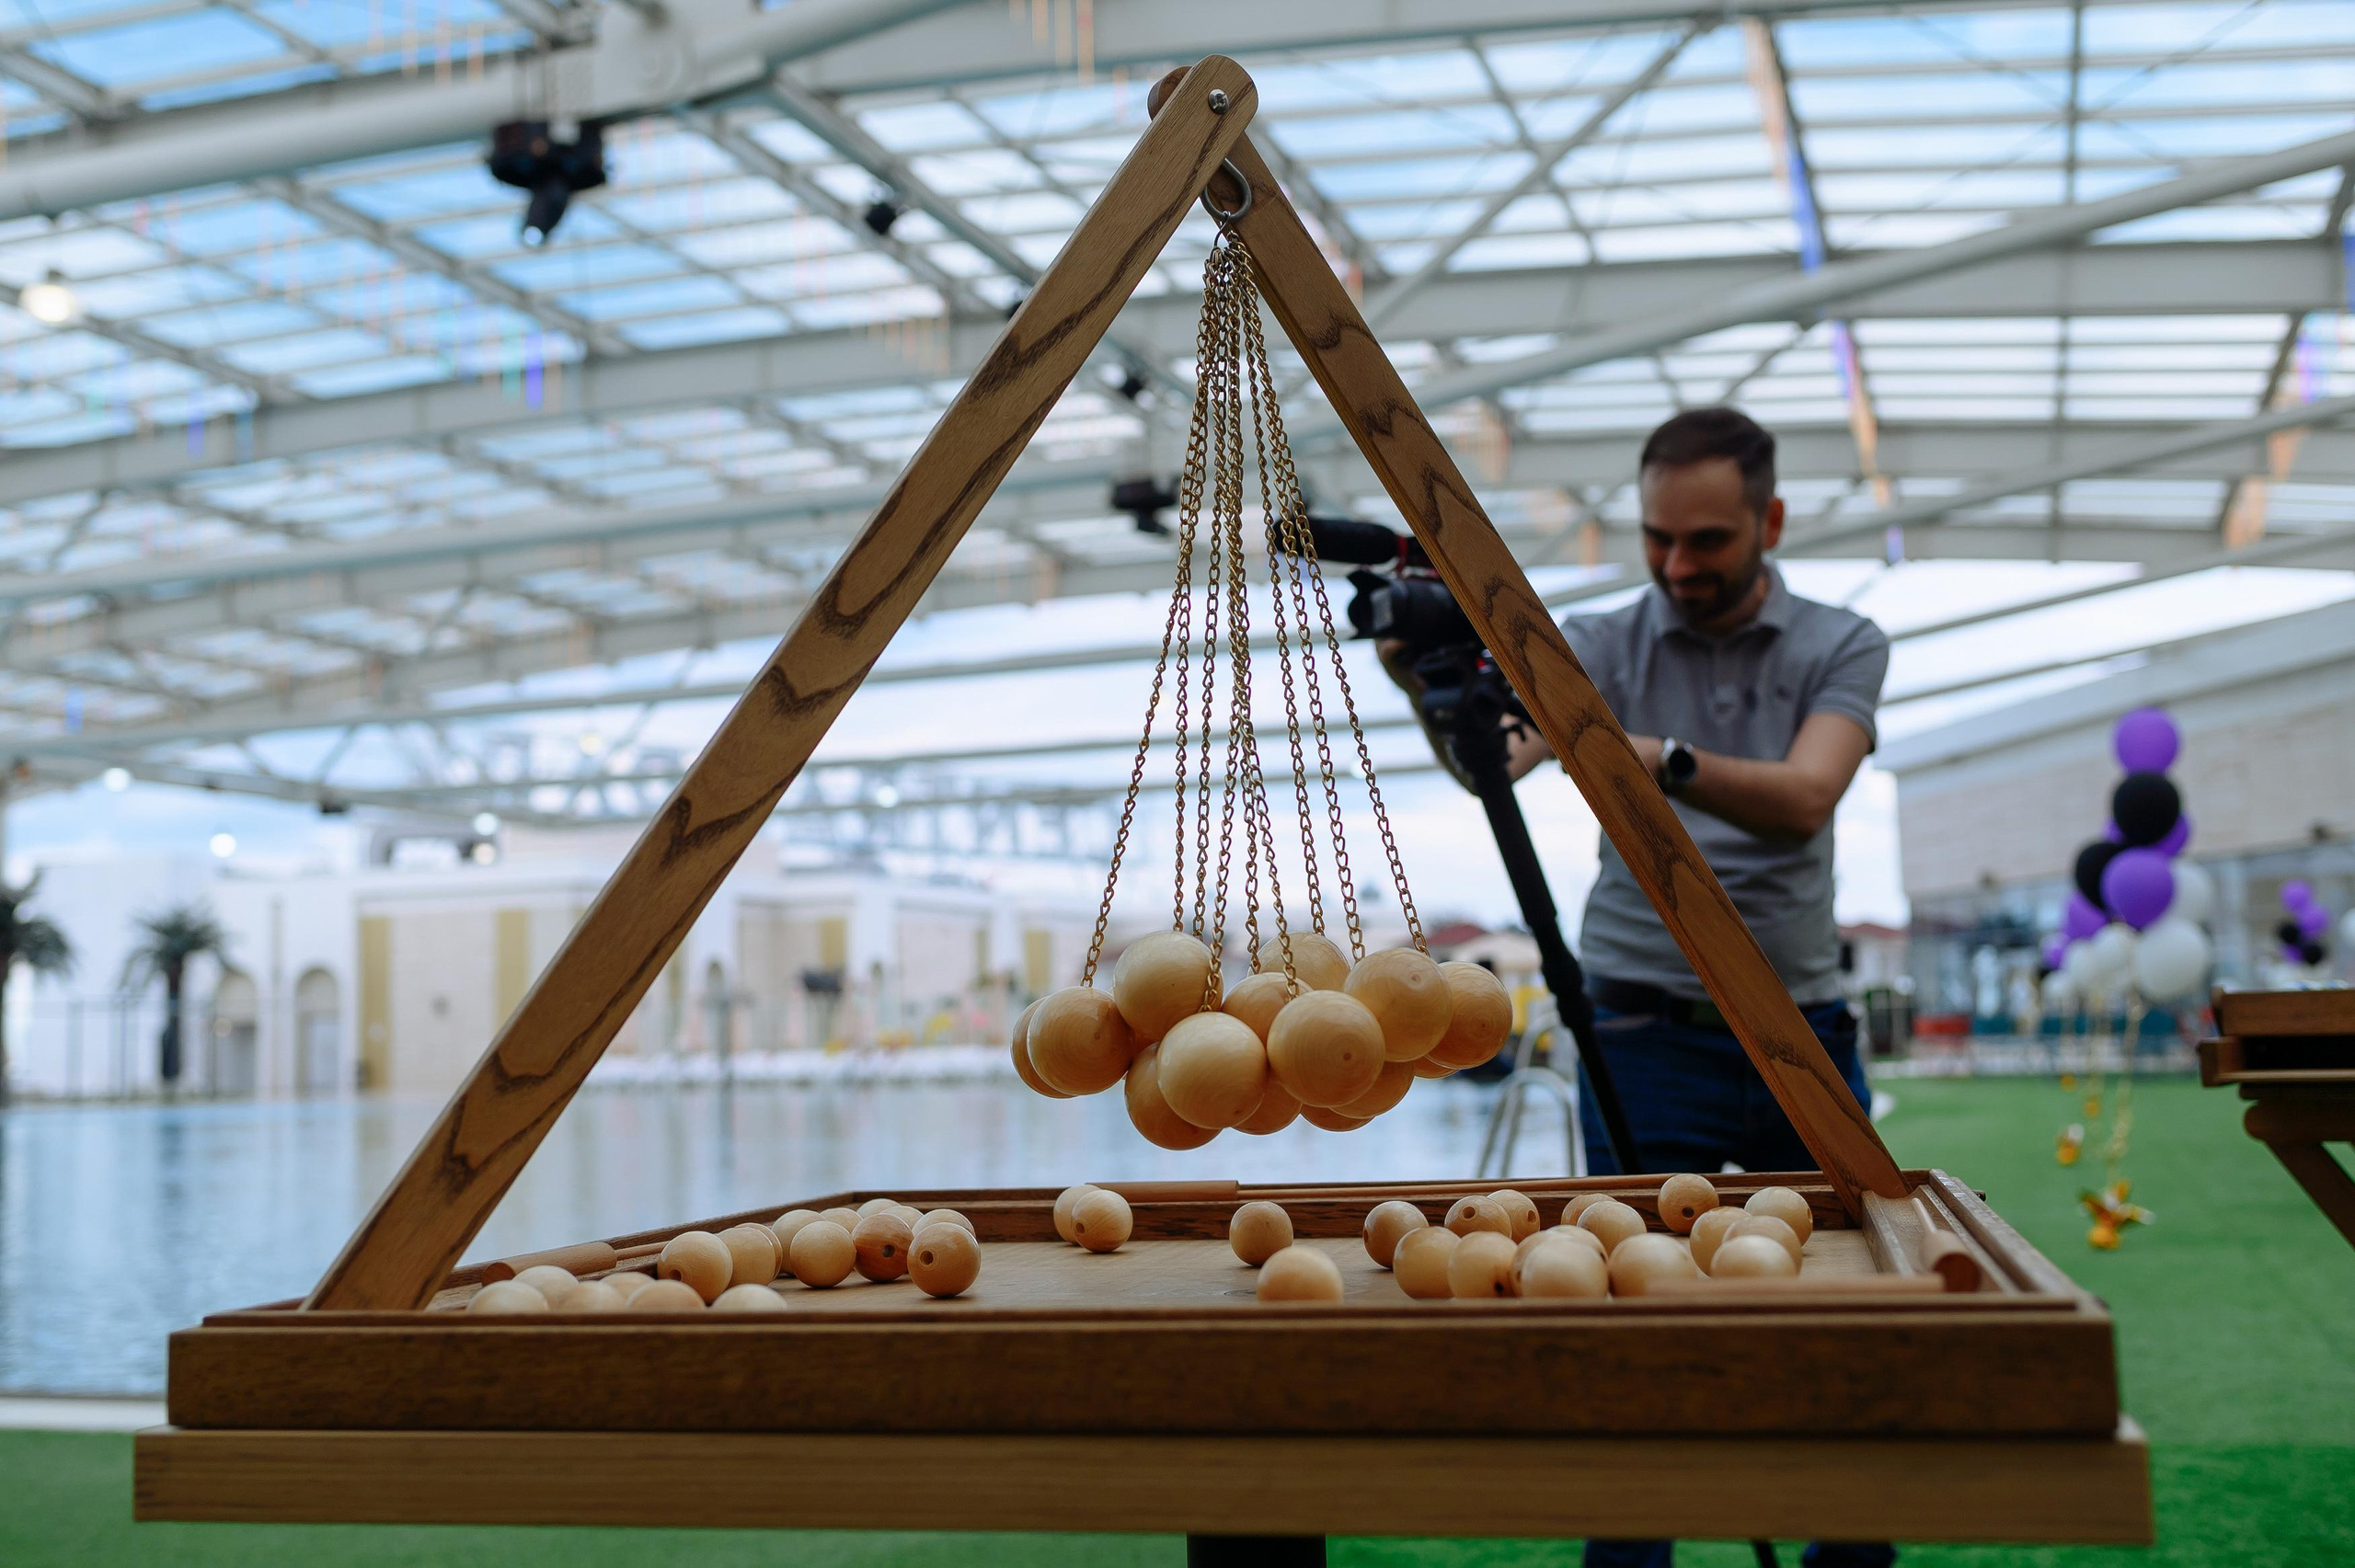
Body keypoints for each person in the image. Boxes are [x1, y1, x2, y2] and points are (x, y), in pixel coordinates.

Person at [1396, 406, 1893, 1568]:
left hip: (1798, 1030)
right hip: (1632, 1025)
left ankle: (1848, 1547)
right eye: (1658, 539)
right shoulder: (1599, 638)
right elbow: (1495, 764)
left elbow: (1807, 795)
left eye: (1707, 540)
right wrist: (1429, 675)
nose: (1678, 567)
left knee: (1839, 1316)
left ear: (1769, 521)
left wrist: (1633, 747)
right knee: (1612, 1309)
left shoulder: (1843, 640)